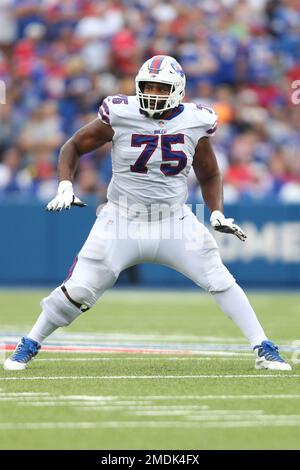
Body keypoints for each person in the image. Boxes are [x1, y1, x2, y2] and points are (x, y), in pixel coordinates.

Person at [4, 55, 291, 371]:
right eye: (147, 86)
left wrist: (217, 213)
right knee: (79, 289)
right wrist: (64, 184)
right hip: (121, 219)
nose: (153, 93)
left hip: (173, 220)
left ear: (178, 90)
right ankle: (29, 343)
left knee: (218, 276)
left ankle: (263, 346)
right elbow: (72, 146)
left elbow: (210, 173)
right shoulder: (120, 112)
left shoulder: (196, 120)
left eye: (161, 87)